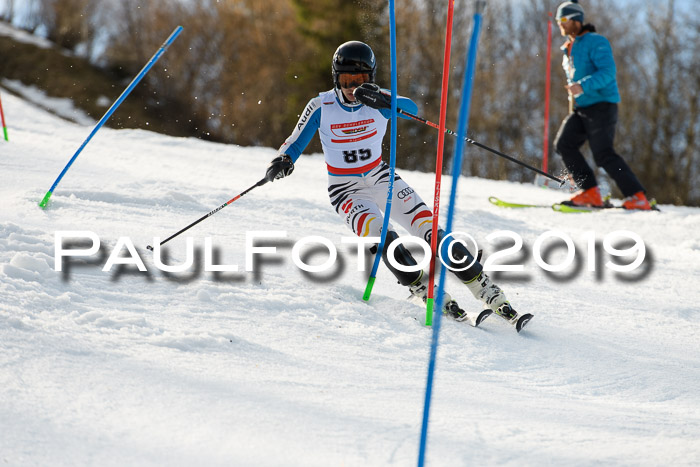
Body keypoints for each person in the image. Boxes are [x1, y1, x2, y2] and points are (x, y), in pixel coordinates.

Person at [264, 40, 529, 330]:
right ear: (335, 78)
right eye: (347, 81)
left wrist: (383, 101)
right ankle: (421, 288)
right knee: (381, 238)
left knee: (429, 229)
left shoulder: (378, 100)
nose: (354, 88)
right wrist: (283, 160)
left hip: (381, 177)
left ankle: (484, 288)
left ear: (371, 78)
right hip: (346, 191)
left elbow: (410, 108)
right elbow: (295, 140)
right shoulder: (322, 105)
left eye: (361, 80)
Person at [553, 1, 652, 210]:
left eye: (563, 19)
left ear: (577, 20)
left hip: (602, 106)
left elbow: (607, 73)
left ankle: (637, 197)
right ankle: (590, 192)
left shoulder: (595, 41)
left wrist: (582, 86)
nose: (559, 24)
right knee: (564, 144)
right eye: (557, 20)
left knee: (603, 153)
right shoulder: (568, 49)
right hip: (581, 108)